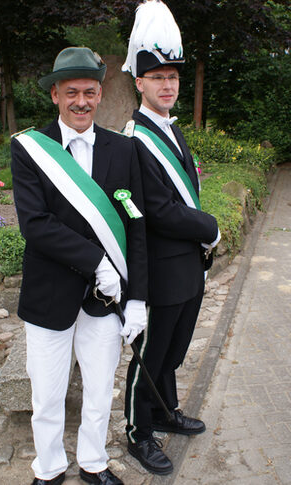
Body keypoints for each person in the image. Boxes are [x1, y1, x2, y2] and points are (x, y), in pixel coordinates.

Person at [11, 47, 147, 485]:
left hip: (106, 300)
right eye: (72, 92)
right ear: (55, 95)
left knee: (99, 389)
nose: (82, 102)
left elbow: (137, 226)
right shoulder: (31, 150)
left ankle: (93, 462)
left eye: (90, 92)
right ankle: (48, 468)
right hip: (50, 292)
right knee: (46, 394)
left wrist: (139, 295)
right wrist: (97, 262)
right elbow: (36, 225)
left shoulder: (123, 150)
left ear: (101, 93)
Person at [121, 0, 221, 476]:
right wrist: (211, 227)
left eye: (173, 77)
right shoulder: (134, 137)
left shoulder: (171, 130)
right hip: (160, 272)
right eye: (158, 77)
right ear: (139, 82)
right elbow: (157, 211)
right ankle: (139, 432)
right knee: (151, 355)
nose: (168, 85)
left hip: (188, 269)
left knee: (175, 351)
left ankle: (165, 411)